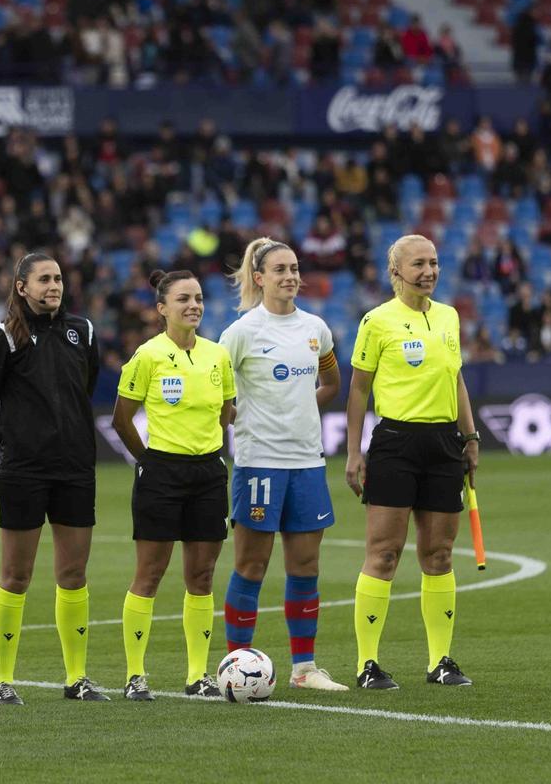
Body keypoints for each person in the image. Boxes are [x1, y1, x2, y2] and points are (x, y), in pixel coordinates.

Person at [344, 234, 480, 690]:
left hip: (444, 445)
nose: (429, 271)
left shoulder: (449, 316)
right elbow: (359, 390)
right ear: (395, 272)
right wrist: (353, 451)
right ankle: (367, 664)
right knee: (383, 553)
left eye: (435, 263)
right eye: (419, 264)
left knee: (439, 555)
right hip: (396, 443)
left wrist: (470, 435)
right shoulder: (376, 321)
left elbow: (456, 378)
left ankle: (440, 661)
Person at [0, 252, 108, 705]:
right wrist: (14, 440)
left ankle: (77, 677)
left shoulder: (82, 331)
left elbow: (83, 388)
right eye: (44, 279)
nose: (54, 285)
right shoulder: (2, 338)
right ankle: (3, 679)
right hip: (24, 472)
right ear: (21, 287)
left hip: (74, 468)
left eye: (58, 278)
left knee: (73, 573)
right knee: (16, 575)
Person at [218, 238, 348, 692]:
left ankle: (304, 669)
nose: (290, 276)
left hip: (307, 463)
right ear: (260, 278)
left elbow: (331, 382)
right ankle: (236, 664)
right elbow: (219, 395)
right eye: (280, 270)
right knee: (251, 566)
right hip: (259, 464)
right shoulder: (241, 333)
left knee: (306, 566)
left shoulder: (316, 328)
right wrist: (243, 419)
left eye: (294, 268)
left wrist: (299, 409)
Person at [111, 269, 236, 701]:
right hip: (161, 472)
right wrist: (148, 460)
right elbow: (121, 419)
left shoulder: (218, 355)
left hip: (208, 473)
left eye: (198, 298)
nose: (194, 306)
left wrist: (209, 446)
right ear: (162, 308)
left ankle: (198, 675)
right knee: (150, 573)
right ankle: (135, 675)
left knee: (201, 576)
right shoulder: (147, 356)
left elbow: (227, 410)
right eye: (183, 299)